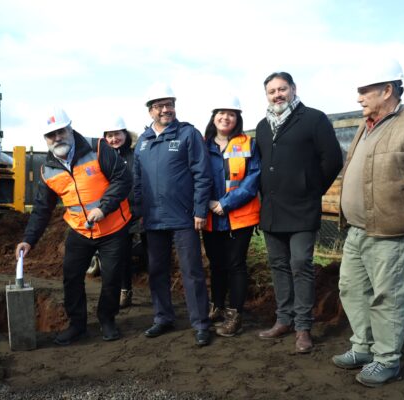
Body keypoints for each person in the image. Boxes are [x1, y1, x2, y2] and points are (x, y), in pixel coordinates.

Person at [15, 108, 132, 346]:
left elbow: (123, 178)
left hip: (113, 228)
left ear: (70, 128)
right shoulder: (47, 169)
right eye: (51, 135)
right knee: (71, 277)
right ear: (45, 139)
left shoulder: (98, 148)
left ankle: (107, 319)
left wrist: (104, 208)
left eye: (60, 131)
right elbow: (42, 209)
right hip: (80, 230)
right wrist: (29, 239)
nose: (57, 138)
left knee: (111, 278)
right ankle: (77, 325)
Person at [332, 59, 404, 387]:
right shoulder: (367, 123)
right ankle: (362, 347)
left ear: (387, 90)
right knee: (350, 289)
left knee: (387, 296)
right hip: (357, 229)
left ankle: (387, 359)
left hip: (389, 230)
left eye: (365, 91)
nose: (359, 98)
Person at [255, 72, 342, 353]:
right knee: (279, 266)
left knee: (301, 264)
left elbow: (332, 159)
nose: (277, 95)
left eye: (282, 89)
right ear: (267, 95)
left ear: (293, 89)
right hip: (271, 210)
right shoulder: (263, 126)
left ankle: (303, 327)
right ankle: (284, 320)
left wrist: (311, 188)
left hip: (302, 209)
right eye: (272, 91)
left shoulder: (314, 119)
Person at [134, 82, 213, 346]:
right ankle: (162, 317)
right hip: (153, 219)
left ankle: (201, 323)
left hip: (184, 217)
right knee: (157, 270)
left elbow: (202, 174)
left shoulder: (188, 134)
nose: (166, 110)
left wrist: (200, 210)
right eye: (159, 106)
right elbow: (137, 181)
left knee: (191, 272)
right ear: (150, 111)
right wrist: (138, 212)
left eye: (169, 104)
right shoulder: (142, 142)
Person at [202, 94, 261, 337]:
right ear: (214, 117)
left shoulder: (248, 144)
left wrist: (225, 204)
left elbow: (252, 179)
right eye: (221, 113)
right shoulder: (203, 145)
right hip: (210, 218)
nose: (226, 117)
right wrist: (205, 203)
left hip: (240, 217)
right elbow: (195, 177)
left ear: (237, 118)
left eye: (231, 114)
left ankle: (235, 314)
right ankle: (216, 306)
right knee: (216, 265)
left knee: (236, 265)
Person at [103, 117, 142, 308]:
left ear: (125, 134)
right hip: (118, 212)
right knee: (122, 255)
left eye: (117, 134)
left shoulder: (137, 154)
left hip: (141, 211)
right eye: (109, 136)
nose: (113, 139)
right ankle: (125, 290)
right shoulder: (104, 158)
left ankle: (160, 294)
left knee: (153, 253)